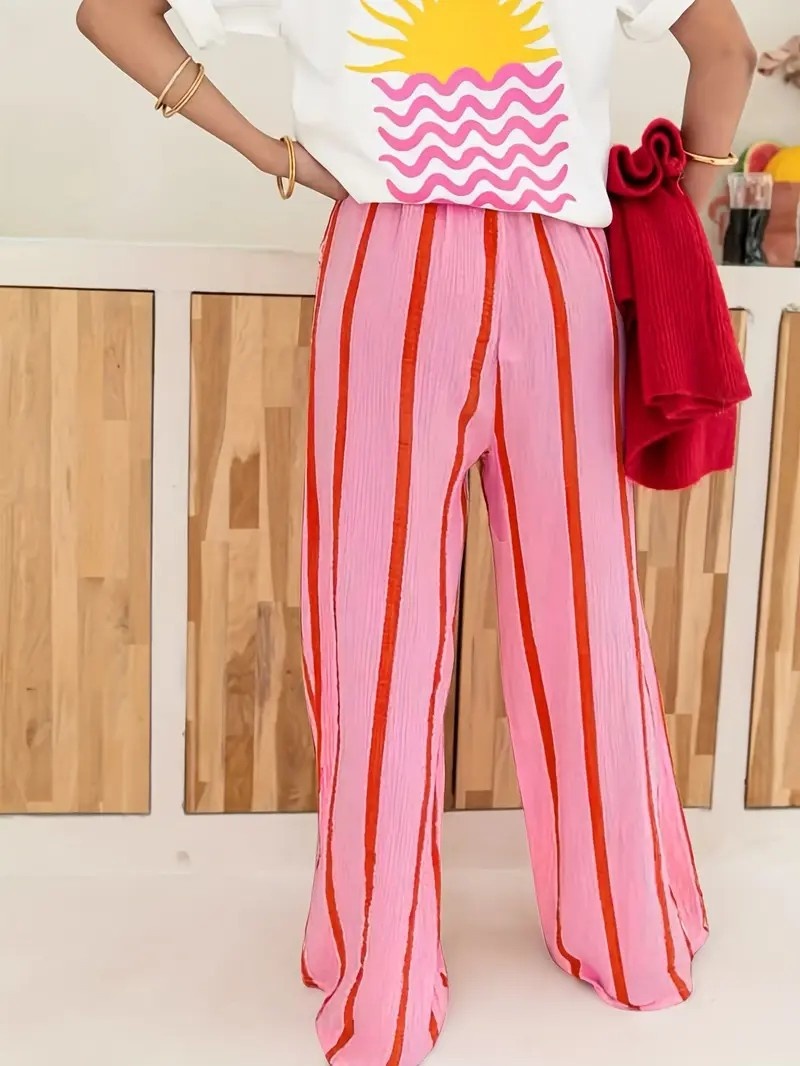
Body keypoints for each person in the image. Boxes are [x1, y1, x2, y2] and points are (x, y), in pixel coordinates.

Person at [77, 2, 755, 1064]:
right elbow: (725, 49)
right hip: (561, 278)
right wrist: (690, 205)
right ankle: (631, 937)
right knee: (585, 627)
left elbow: (107, 12)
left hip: (388, 271)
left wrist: (272, 154)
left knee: (374, 629)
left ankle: (381, 978)